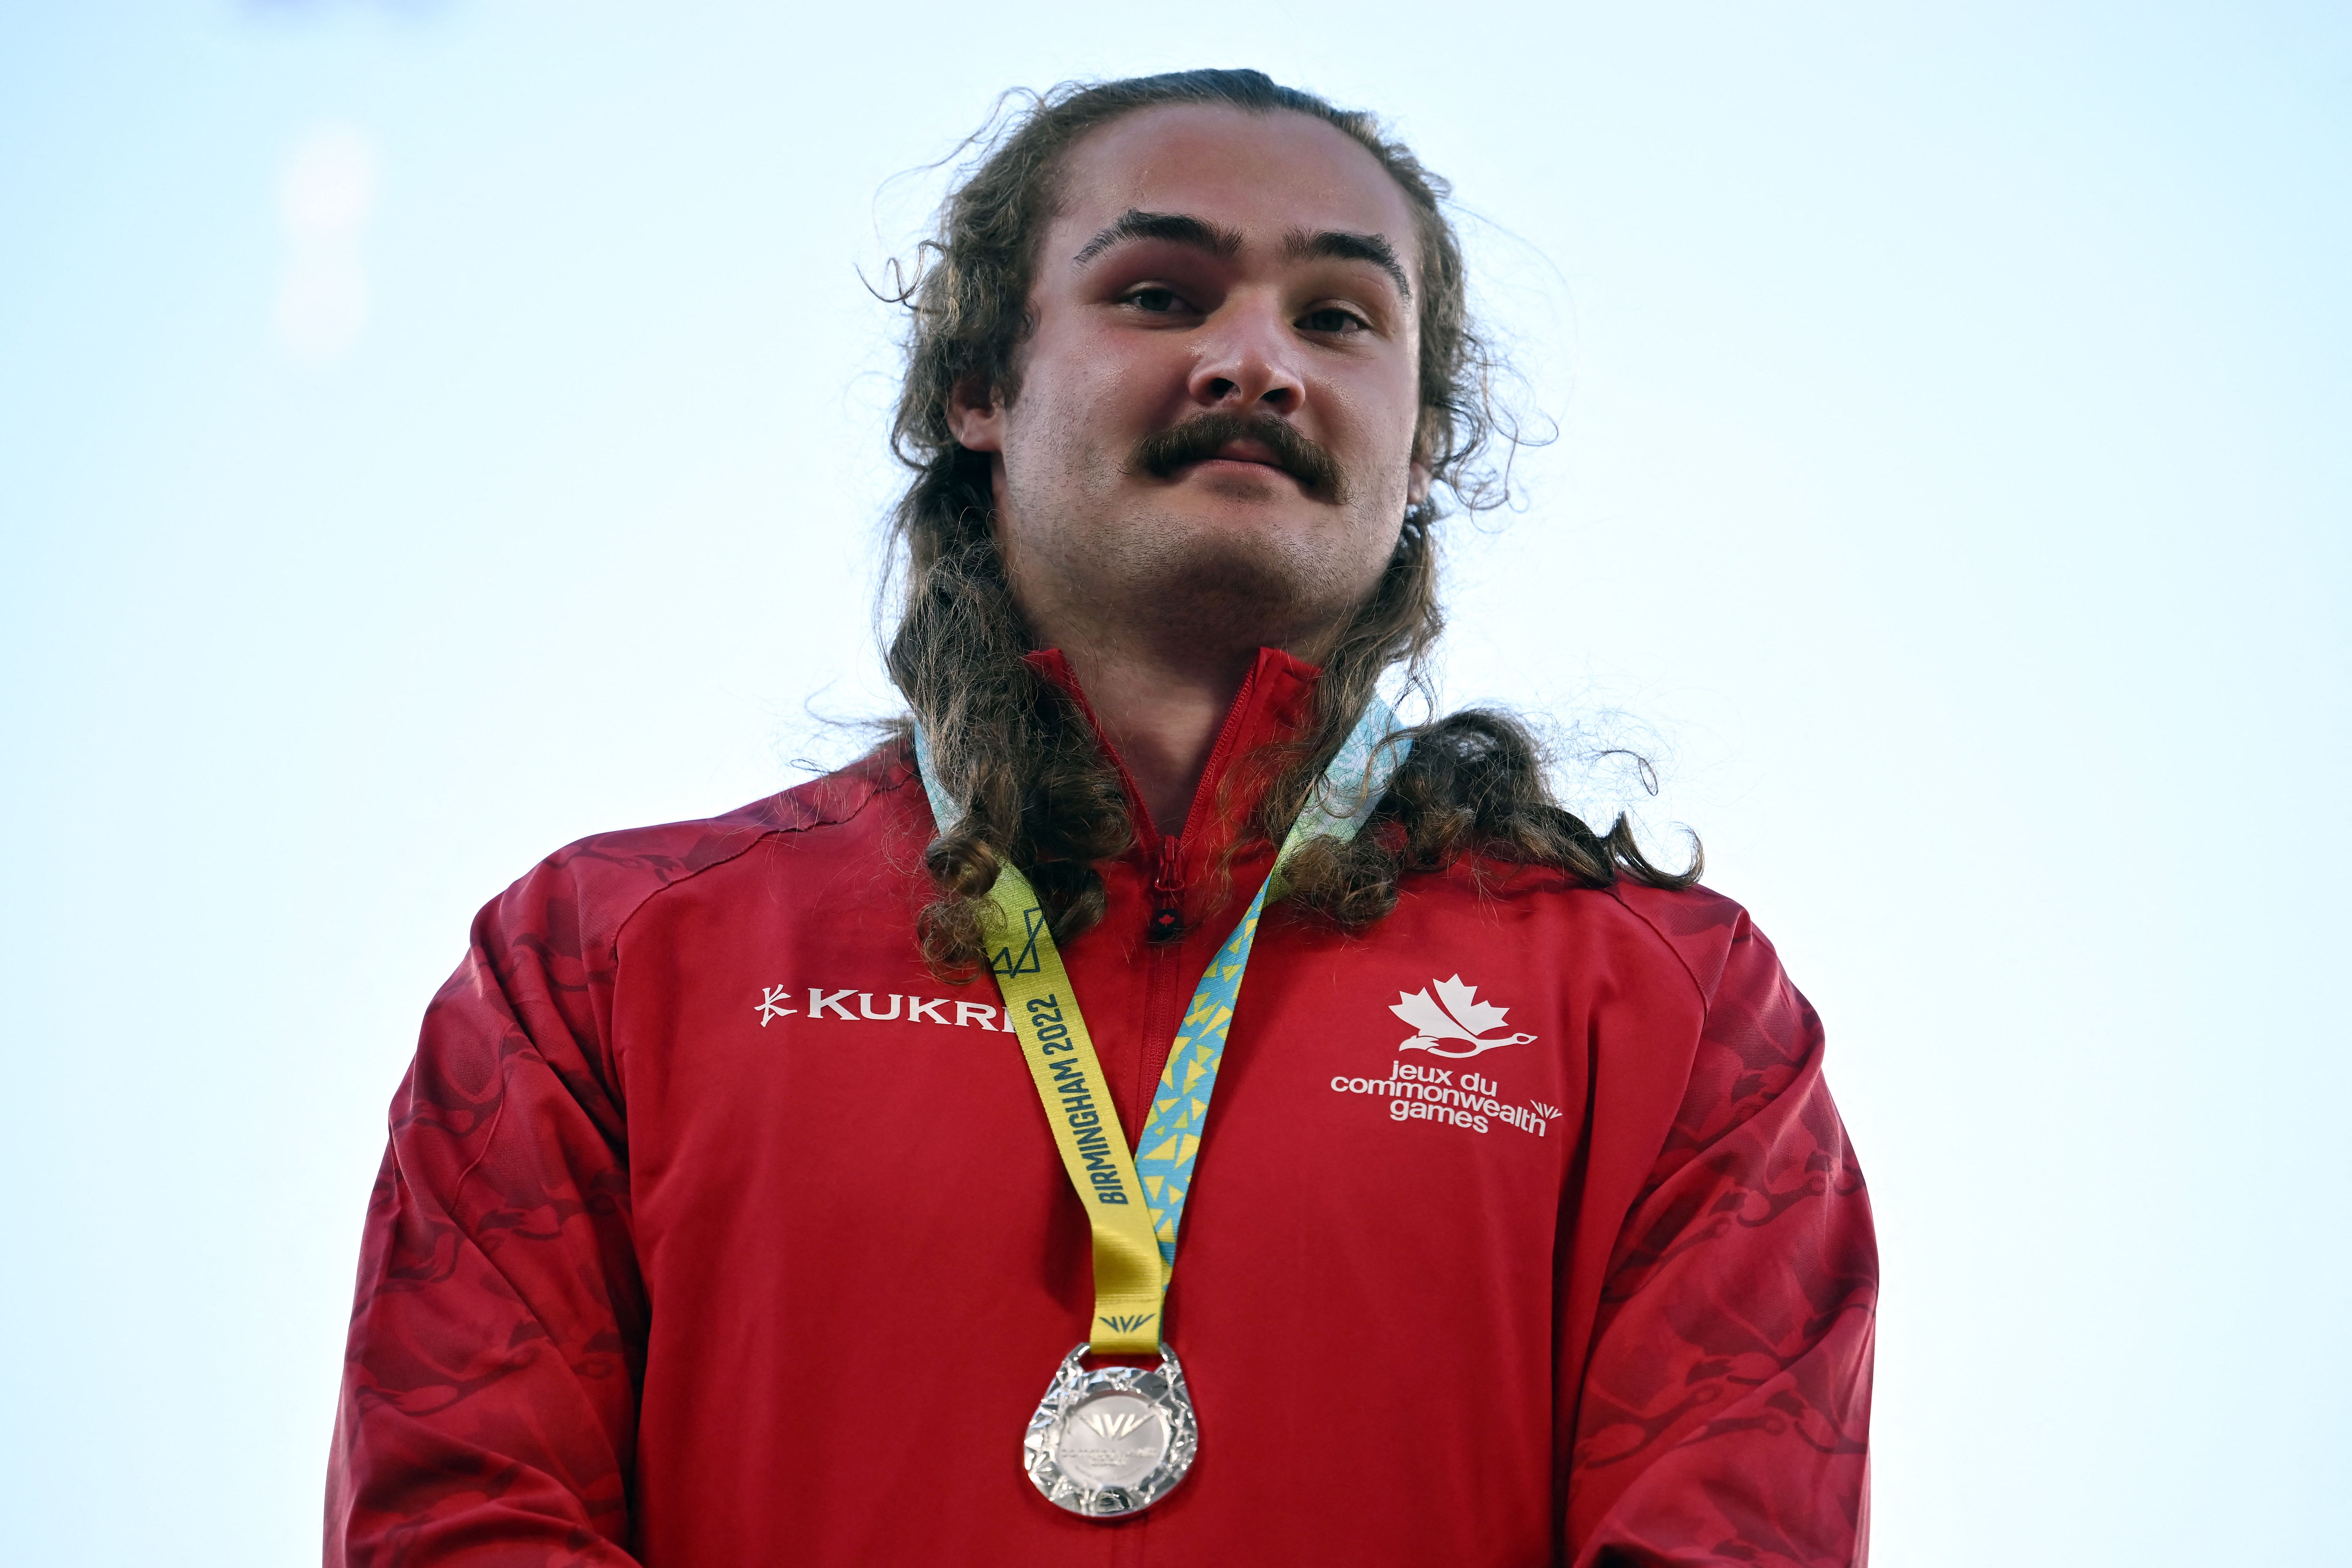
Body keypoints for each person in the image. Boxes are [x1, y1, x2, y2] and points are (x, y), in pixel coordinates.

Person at [327, 68, 1876, 1568]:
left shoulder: (1671, 1017)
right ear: (979, 388)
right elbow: (461, 1521)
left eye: (1339, 317)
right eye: (1159, 294)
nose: (1255, 361)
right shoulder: (604, 964)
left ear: (1419, 453)